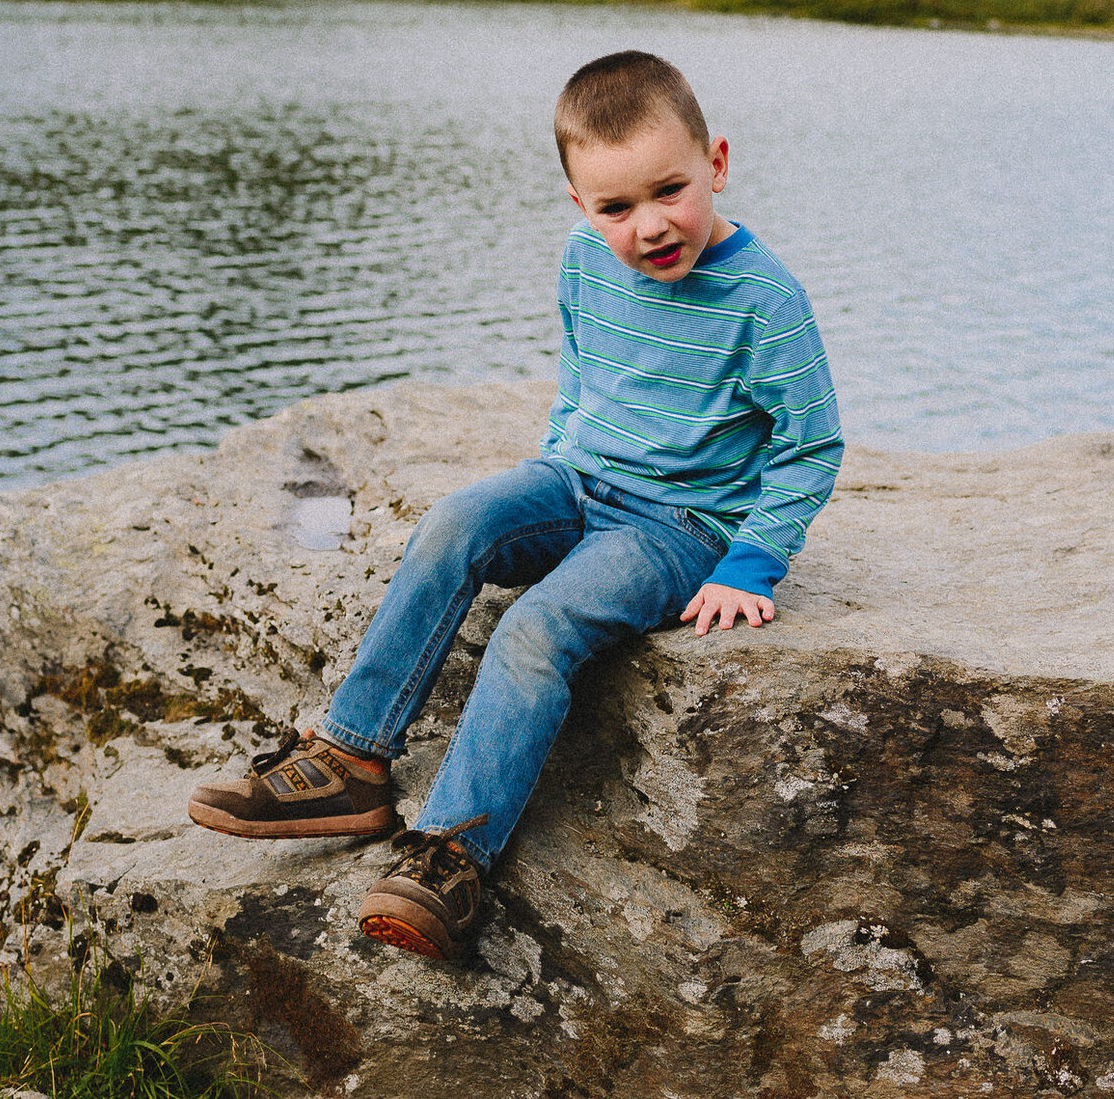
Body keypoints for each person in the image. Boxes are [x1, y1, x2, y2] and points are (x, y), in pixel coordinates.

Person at [186, 50, 842, 962]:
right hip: (577, 481)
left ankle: (451, 852)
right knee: (456, 522)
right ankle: (350, 759)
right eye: (615, 207)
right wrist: (549, 476)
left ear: (717, 163)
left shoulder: (765, 299)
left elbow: (809, 447)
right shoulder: (585, 259)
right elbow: (580, 380)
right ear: (581, 205)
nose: (649, 225)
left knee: (539, 626)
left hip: (678, 526)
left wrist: (750, 560)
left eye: (670, 190)